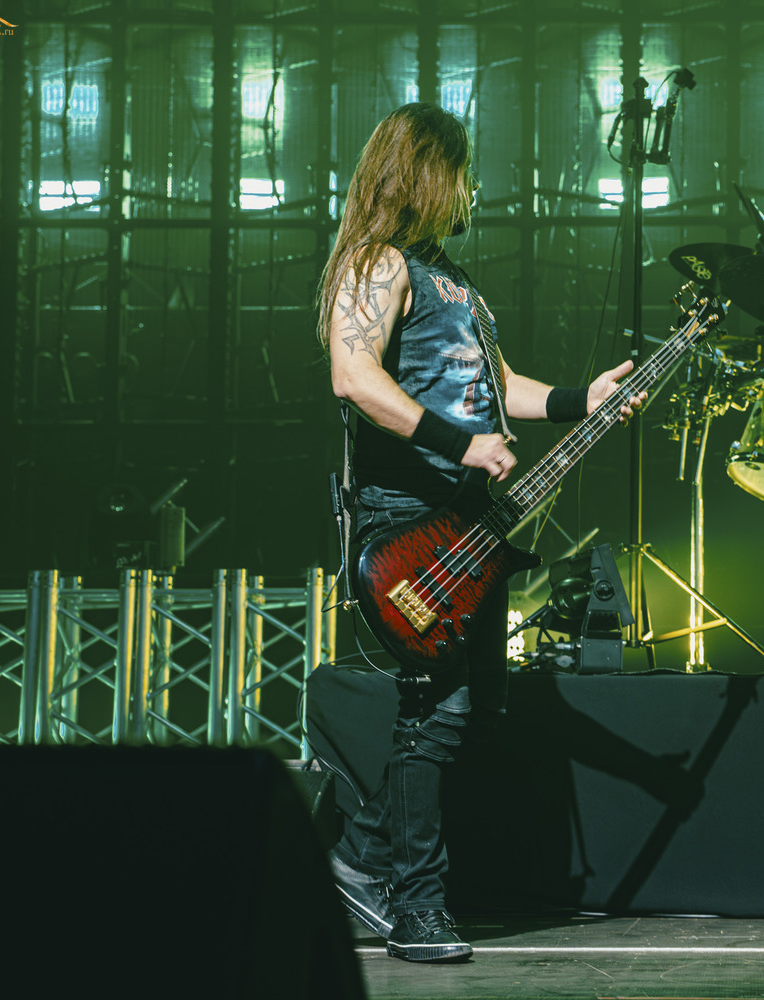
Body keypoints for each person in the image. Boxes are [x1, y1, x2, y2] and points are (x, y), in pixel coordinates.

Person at [315, 103, 644, 963]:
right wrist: (461, 445)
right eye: (460, 172)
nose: (470, 189)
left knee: (474, 709)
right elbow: (355, 377)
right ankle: (417, 906)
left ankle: (358, 861)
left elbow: (500, 387)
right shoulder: (376, 263)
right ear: (431, 172)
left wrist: (580, 399)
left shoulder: (453, 280)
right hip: (407, 523)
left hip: (471, 525)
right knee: (436, 711)